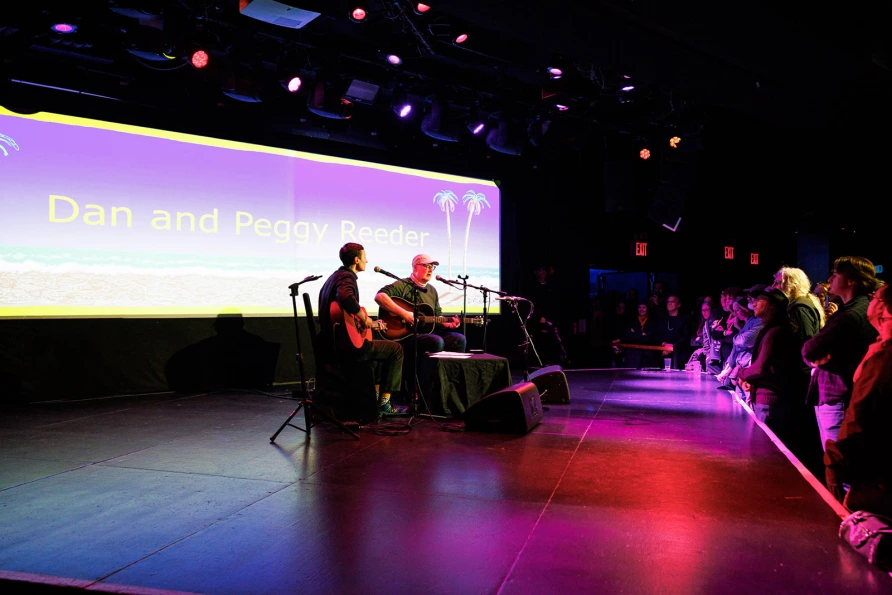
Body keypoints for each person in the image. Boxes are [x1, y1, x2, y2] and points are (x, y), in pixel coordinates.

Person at [824, 283, 892, 515]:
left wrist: (835, 460)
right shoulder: (880, 347)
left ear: (883, 308)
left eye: (874, 297)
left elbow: (861, 412)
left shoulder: (885, 357)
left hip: (874, 474)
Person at [802, 256, 881, 452]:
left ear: (852, 280)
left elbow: (809, 350)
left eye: (835, 275)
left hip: (837, 396)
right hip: (851, 395)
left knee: (839, 464)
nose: (830, 280)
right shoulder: (863, 308)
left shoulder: (848, 316)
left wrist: (819, 356)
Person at [318, 243, 404, 415]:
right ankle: (385, 403)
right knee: (396, 350)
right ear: (356, 260)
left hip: (332, 343)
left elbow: (345, 315)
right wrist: (365, 319)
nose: (367, 260)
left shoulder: (335, 277)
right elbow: (345, 298)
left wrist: (370, 322)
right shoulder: (346, 277)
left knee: (379, 353)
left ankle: (375, 399)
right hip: (345, 348)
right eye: (365, 257)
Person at [375, 253, 466, 396]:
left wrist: (447, 324)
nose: (430, 270)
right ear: (415, 267)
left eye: (432, 267)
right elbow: (380, 297)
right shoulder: (402, 285)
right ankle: (423, 391)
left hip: (427, 333)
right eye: (426, 266)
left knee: (458, 339)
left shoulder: (432, 291)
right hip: (405, 336)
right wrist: (404, 314)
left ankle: (447, 389)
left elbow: (436, 317)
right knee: (436, 341)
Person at [738, 288, 806, 439]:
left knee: (764, 449)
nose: (753, 304)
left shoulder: (775, 332)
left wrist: (741, 373)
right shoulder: (773, 329)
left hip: (769, 401)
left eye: (759, 300)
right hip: (769, 399)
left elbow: (760, 368)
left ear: (772, 305)